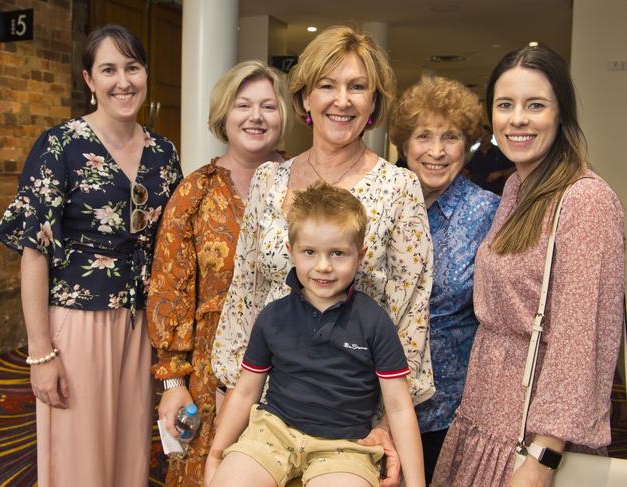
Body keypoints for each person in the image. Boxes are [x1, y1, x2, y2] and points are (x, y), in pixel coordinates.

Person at [211, 25, 434, 486]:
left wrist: (384, 427)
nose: (342, 100)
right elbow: (245, 294)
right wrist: (230, 393)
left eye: (358, 87)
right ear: (305, 97)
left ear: (374, 103)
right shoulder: (269, 181)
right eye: (327, 85)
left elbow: (408, 316)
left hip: (348, 416)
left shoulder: (398, 188)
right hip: (265, 411)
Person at [0, 24, 182, 487]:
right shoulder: (60, 145)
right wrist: (40, 354)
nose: (123, 81)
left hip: (139, 324)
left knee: (130, 454)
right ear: (88, 80)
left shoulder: (164, 152)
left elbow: (171, 247)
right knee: (80, 456)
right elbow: (33, 252)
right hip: (78, 320)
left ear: (145, 73)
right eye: (109, 69)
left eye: (132, 68)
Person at [432, 44, 625, 486]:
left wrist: (542, 459)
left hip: (530, 435)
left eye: (535, 105)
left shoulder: (586, 201)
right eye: (505, 105)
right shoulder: (519, 187)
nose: (517, 119)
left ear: (561, 114)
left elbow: (582, 342)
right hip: (485, 414)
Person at [205, 182, 425, 487]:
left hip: (344, 447)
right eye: (310, 252)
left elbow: (400, 408)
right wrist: (216, 453)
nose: (323, 266)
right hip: (272, 432)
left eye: (338, 253)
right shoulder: (273, 316)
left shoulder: (374, 321)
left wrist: (416, 484)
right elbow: (245, 392)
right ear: (291, 252)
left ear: (360, 256)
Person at [147, 60, 289, 486]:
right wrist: (173, 381)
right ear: (223, 115)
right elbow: (169, 290)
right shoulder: (196, 191)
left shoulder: (303, 183)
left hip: (293, 368)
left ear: (283, 116)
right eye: (243, 104)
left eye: (269, 105)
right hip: (212, 375)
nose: (256, 116)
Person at [389, 75, 500, 484]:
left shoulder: (489, 213)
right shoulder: (381, 202)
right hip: (371, 402)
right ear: (404, 144)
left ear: (467, 145)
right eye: (423, 136)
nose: (436, 151)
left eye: (450, 137)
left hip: (452, 409)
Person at [465, 124, 515, 195]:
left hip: (500, 193)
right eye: (480, 136)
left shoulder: (501, 151)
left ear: (491, 136)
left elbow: (515, 168)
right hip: (478, 195)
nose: (482, 139)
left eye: (485, 136)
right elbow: (466, 171)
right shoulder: (472, 154)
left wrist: (500, 173)